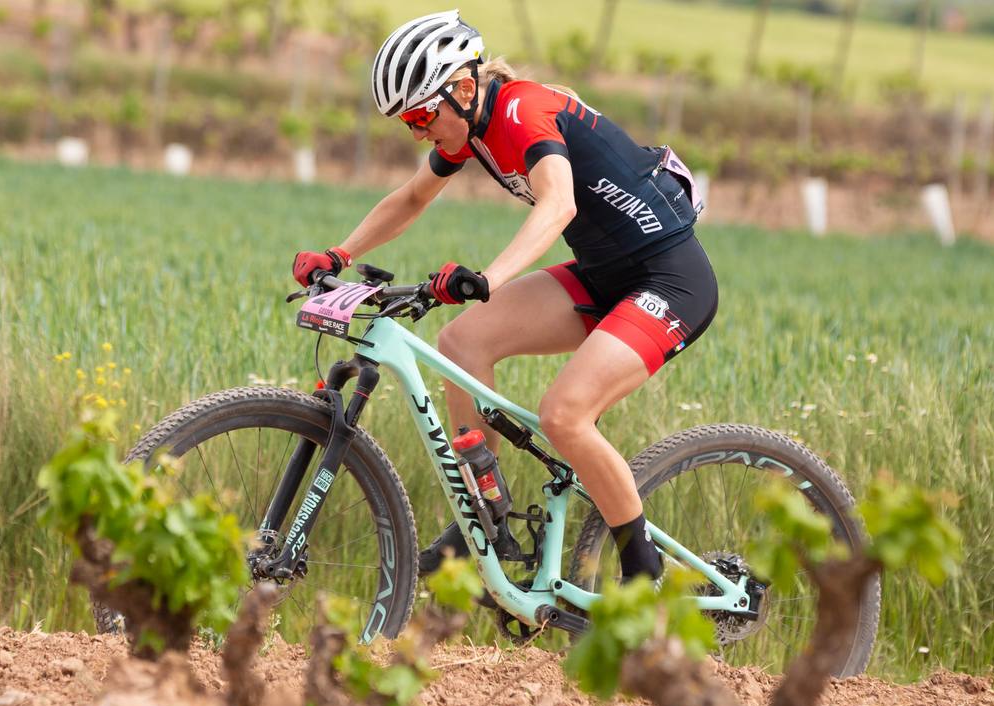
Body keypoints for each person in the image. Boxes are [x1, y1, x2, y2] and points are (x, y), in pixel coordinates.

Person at [291, 9, 716, 584]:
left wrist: (487, 278)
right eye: (405, 123)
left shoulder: (521, 111)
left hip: (669, 279)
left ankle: (645, 574)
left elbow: (558, 203)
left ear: (463, 89)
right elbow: (412, 198)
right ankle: (484, 517)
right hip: (602, 276)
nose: (417, 132)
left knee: (565, 415)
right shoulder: (473, 128)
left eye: (420, 115)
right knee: (463, 340)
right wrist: (338, 255)